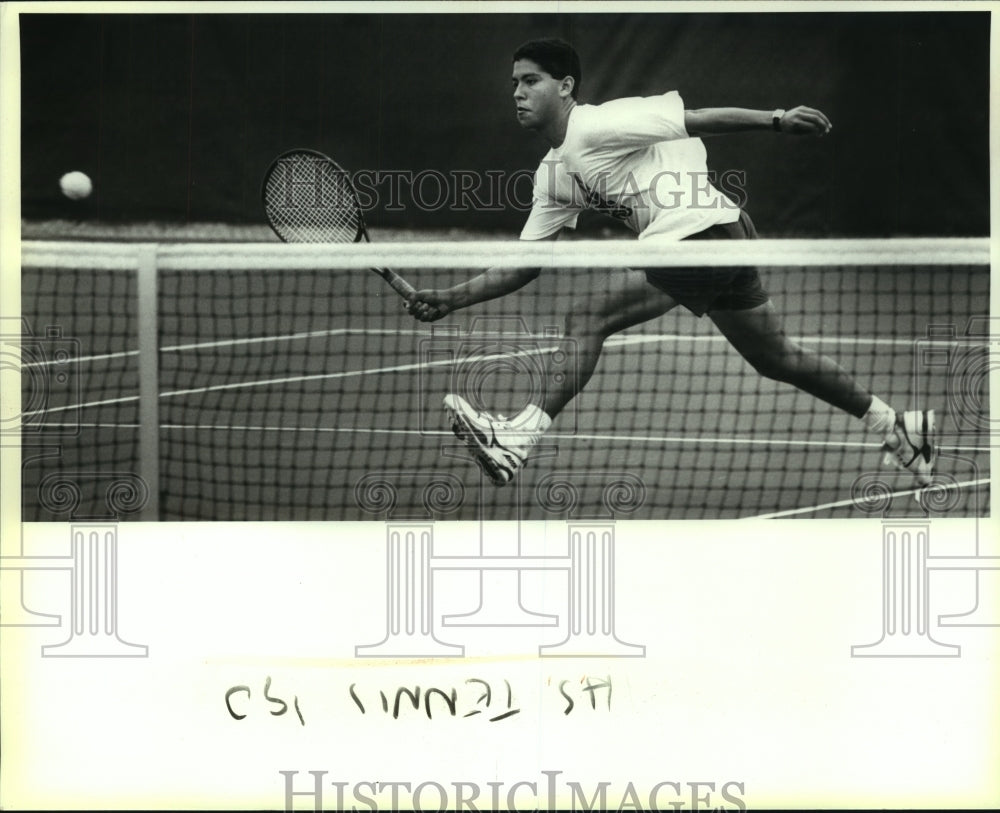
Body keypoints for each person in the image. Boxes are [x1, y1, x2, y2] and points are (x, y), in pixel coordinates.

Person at [406, 38, 935, 490]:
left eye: (531, 81)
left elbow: (696, 119)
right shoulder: (554, 176)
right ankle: (898, 426)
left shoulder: (600, 125)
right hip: (725, 234)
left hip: (699, 233)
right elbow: (525, 264)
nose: (518, 93)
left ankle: (519, 436)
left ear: (565, 86)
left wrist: (775, 120)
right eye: (515, 84)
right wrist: (450, 298)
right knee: (775, 357)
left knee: (587, 318)